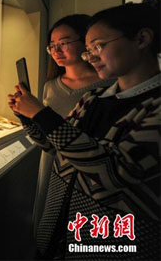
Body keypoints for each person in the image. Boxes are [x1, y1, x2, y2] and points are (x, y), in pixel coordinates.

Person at [8, 1, 160, 259]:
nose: (90, 57)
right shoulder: (93, 98)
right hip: (61, 229)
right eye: (88, 50)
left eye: (98, 46)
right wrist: (28, 117)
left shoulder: (154, 105)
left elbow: (114, 172)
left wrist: (41, 114)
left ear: (142, 39)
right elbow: (55, 147)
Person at [33, 15, 114, 237]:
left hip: (88, 166)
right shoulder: (50, 86)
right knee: (50, 222)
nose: (57, 51)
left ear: (85, 41)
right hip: (52, 161)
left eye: (64, 43)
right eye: (52, 46)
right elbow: (44, 136)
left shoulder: (108, 85)